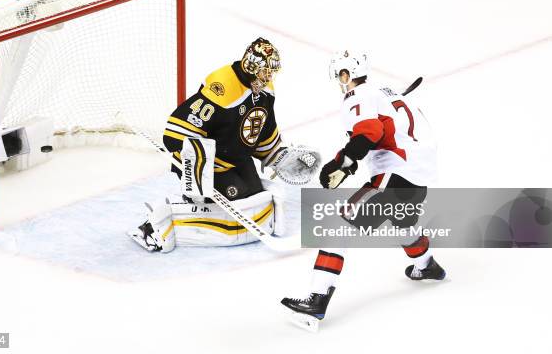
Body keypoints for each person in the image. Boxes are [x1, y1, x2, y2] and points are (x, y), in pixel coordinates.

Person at [280, 50, 446, 331]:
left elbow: (369, 133)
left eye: (340, 77)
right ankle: (426, 264)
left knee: (338, 227)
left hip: (395, 175)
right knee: (401, 220)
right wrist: (347, 161)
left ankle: (316, 302)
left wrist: (342, 162)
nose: (339, 82)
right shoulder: (389, 94)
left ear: (346, 75)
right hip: (418, 178)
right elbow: (382, 133)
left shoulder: (358, 96)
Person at [130, 37, 320, 253]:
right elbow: (177, 130)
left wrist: (277, 156)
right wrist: (195, 164)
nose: (269, 77)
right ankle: (154, 225)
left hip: (237, 157)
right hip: (210, 164)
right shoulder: (223, 87)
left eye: (270, 72)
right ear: (251, 66)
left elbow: (264, 128)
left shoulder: (266, 90)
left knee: (254, 193)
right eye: (265, 71)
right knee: (235, 195)